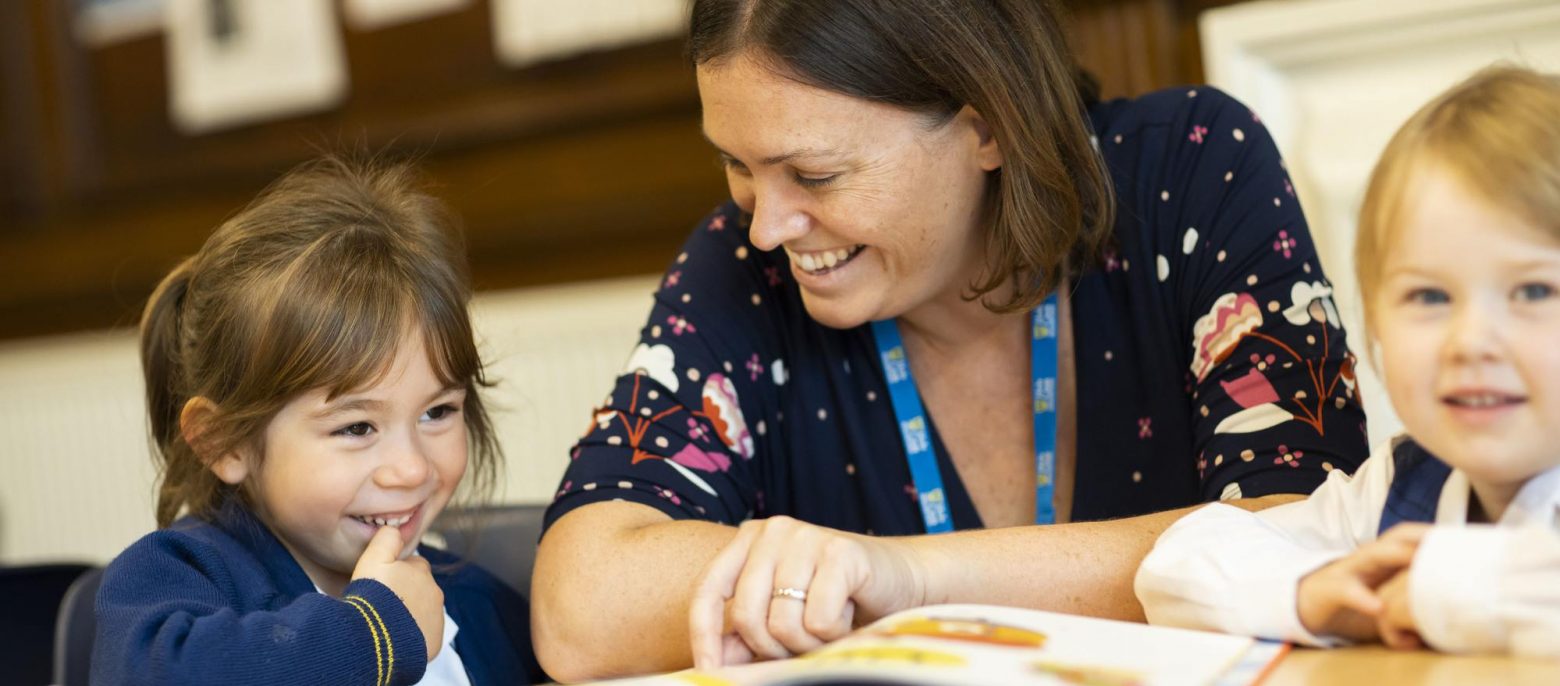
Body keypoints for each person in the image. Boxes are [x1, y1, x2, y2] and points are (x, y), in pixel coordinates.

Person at [532, 0, 1368, 679]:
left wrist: (903, 579)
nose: (768, 227)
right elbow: (580, 609)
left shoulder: (1190, 169)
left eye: (815, 175)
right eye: (739, 166)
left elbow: (1307, 540)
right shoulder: (741, 266)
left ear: (987, 128)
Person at [1134, 65, 1560, 657]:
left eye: (1534, 292)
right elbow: (1179, 562)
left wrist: (1439, 589)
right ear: (1375, 323)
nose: (1471, 341)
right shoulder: (1397, 486)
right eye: (1429, 297)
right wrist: (1312, 590)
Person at [93, 157, 545, 685]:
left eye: (437, 412)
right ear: (224, 443)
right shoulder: (181, 579)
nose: (411, 469)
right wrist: (376, 631)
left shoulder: (476, 603)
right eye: (356, 428)